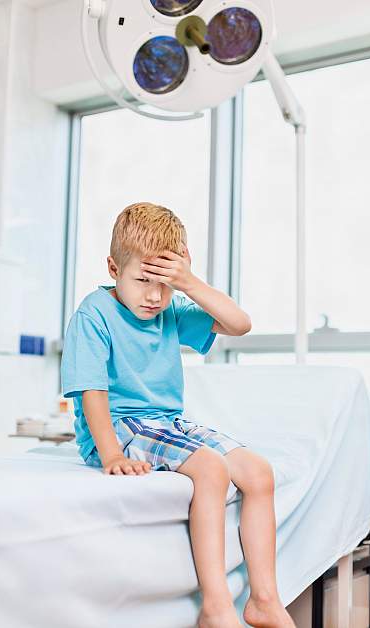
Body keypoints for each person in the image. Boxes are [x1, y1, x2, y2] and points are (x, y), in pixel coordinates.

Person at [61, 201, 295, 628]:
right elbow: (92, 390)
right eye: (143, 281)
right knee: (210, 469)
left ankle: (264, 599)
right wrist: (111, 454)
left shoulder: (168, 308)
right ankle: (216, 606)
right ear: (114, 269)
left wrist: (188, 283)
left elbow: (239, 324)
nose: (154, 296)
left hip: (167, 423)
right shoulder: (94, 314)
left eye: (164, 285)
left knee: (259, 473)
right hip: (121, 425)